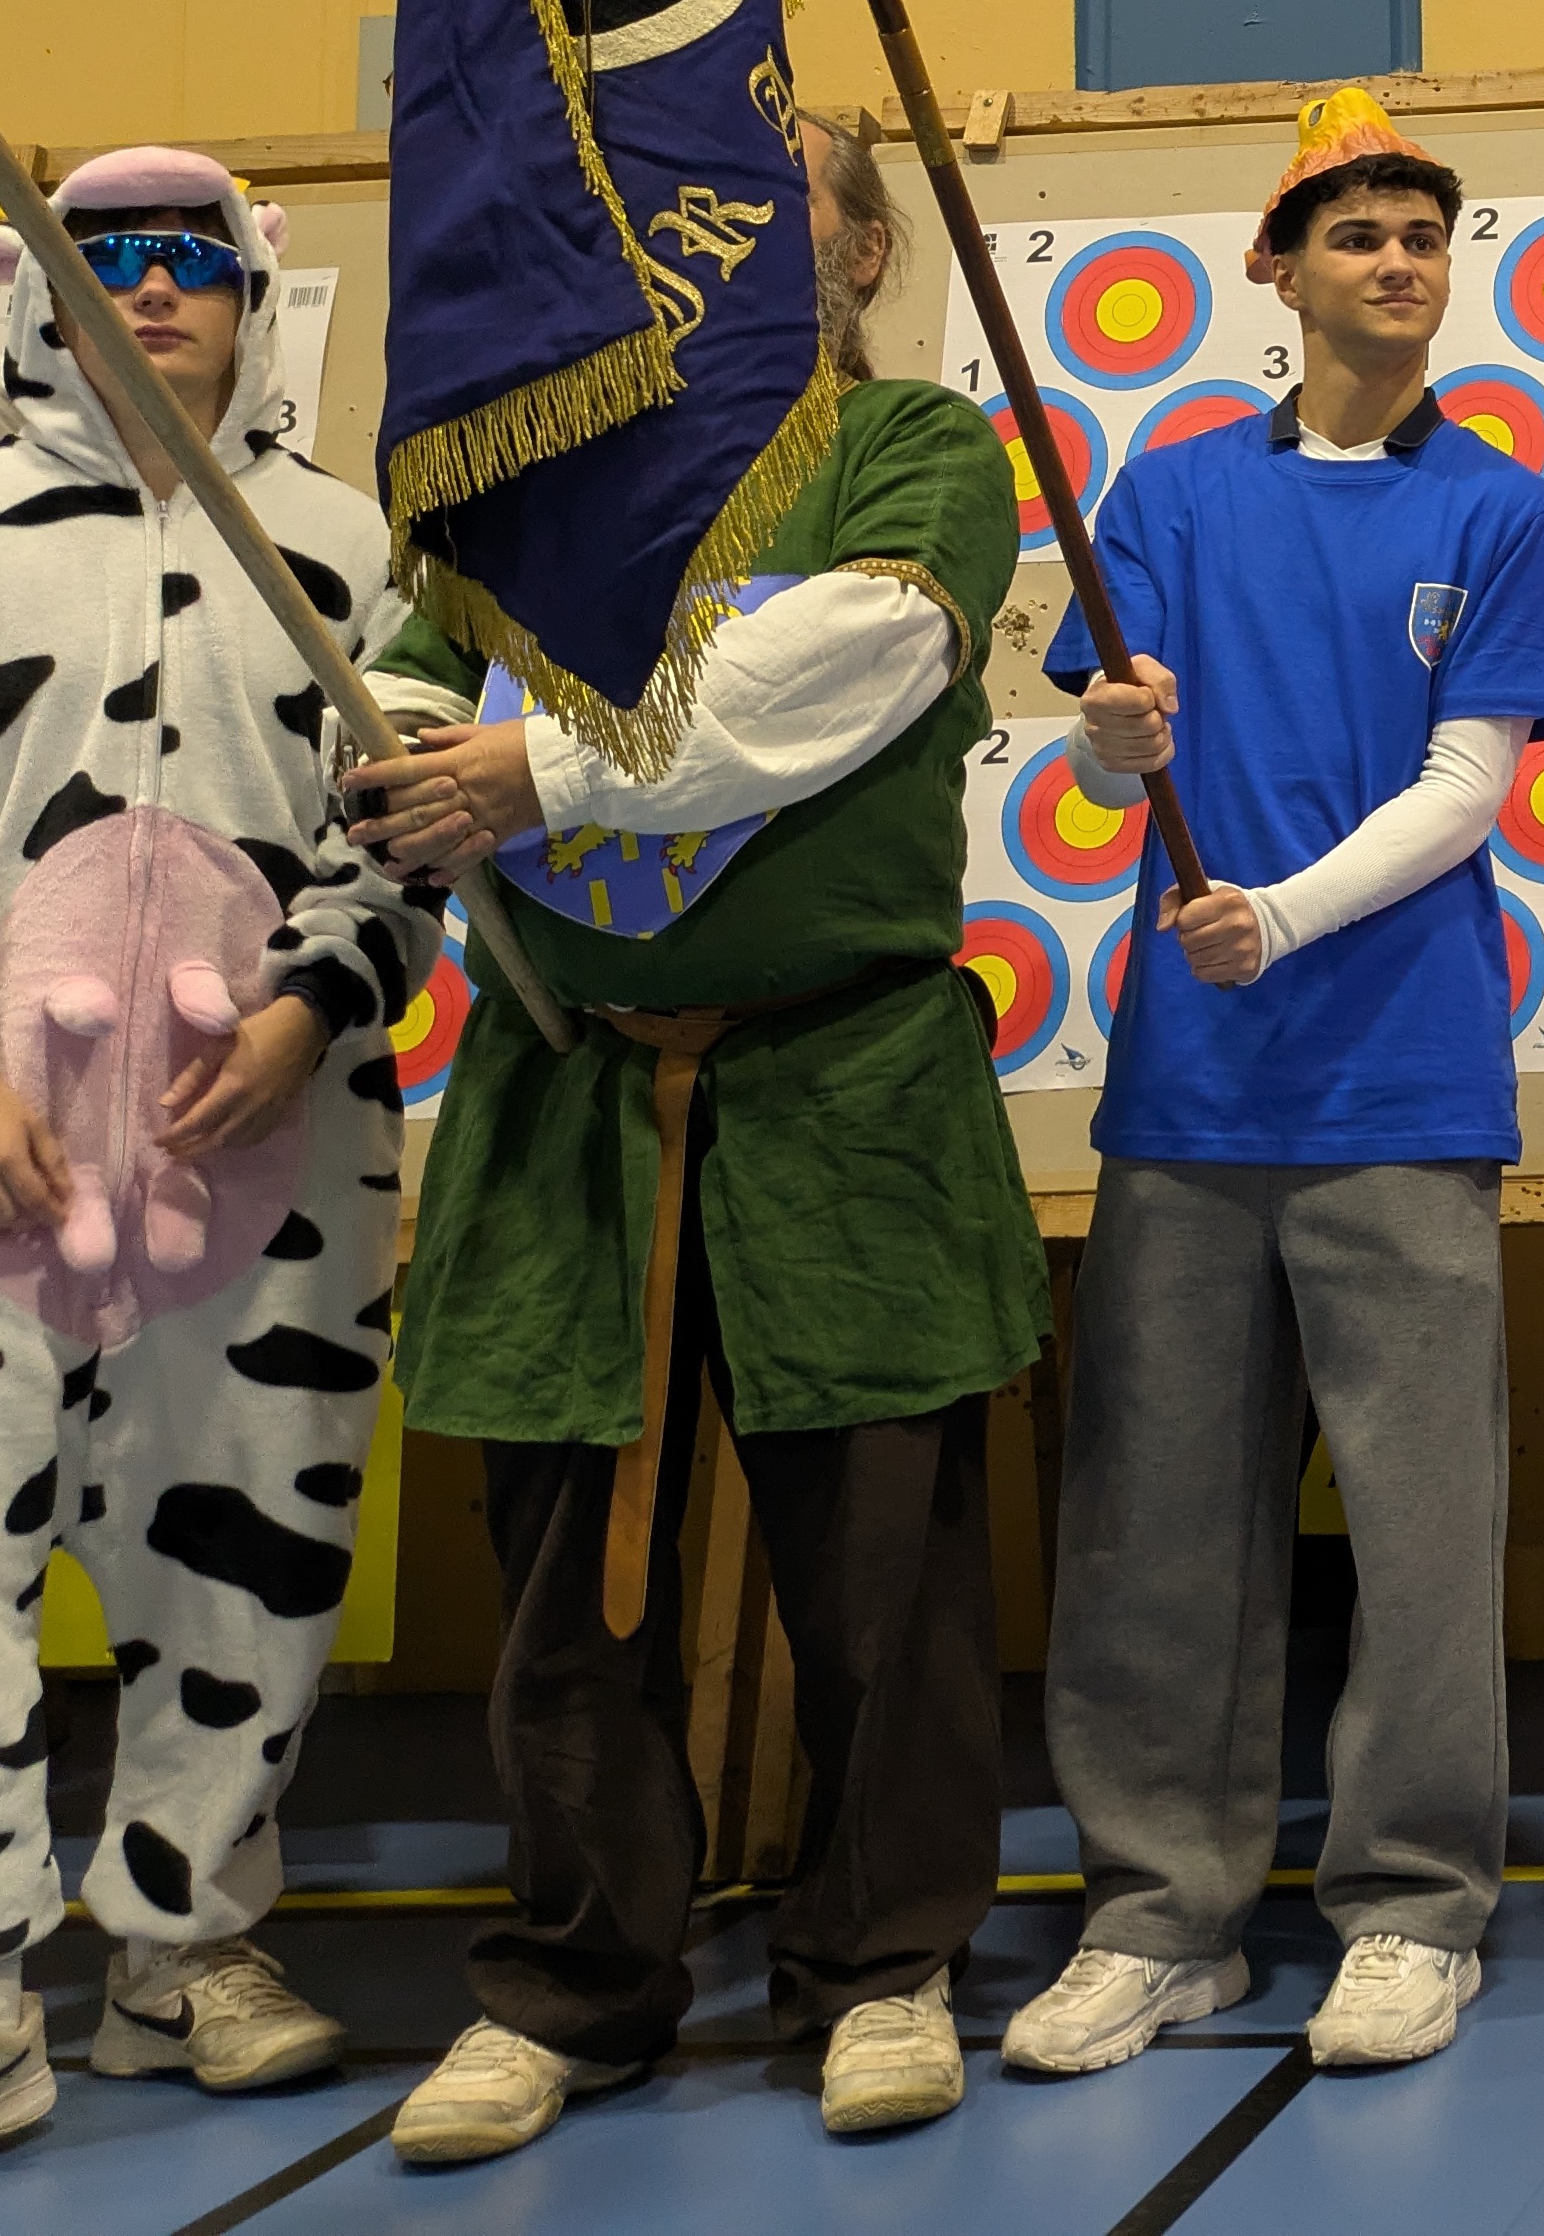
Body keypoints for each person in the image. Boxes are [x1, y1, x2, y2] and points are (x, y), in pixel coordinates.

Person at [353, 112, 1050, 2161]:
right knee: (566, 1590)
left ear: (857, 253)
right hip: (574, 1088)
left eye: (768, 196)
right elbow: (402, 697)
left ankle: (882, 1963)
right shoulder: (530, 486)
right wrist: (409, 759)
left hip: (844, 1089)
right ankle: (578, 1984)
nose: (710, 225)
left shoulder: (909, 447)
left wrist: (537, 766)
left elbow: (843, 662)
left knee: (883, 1582)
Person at [1001, 91, 1544, 2082]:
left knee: (1426, 1530)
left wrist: (1277, 912)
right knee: (1157, 1525)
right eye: (1357, 231)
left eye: (1423, 232)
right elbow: (1108, 748)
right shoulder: (1168, 496)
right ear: (1277, 267)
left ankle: (1416, 1904)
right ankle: (1158, 1914)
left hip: (1401, 1084)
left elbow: (1470, 786)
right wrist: (1108, 740)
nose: (1398, 260)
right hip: (1190, 1094)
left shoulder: (1499, 511)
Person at [0, 158, 438, 2160]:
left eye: (188, 260)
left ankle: (183, 1944)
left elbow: (404, 816)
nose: (148, 290)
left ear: (251, 294)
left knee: (247, 1560)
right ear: (34, 295)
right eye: (102, 258)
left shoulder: (343, 542)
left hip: (268, 1163)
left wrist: (312, 1006)